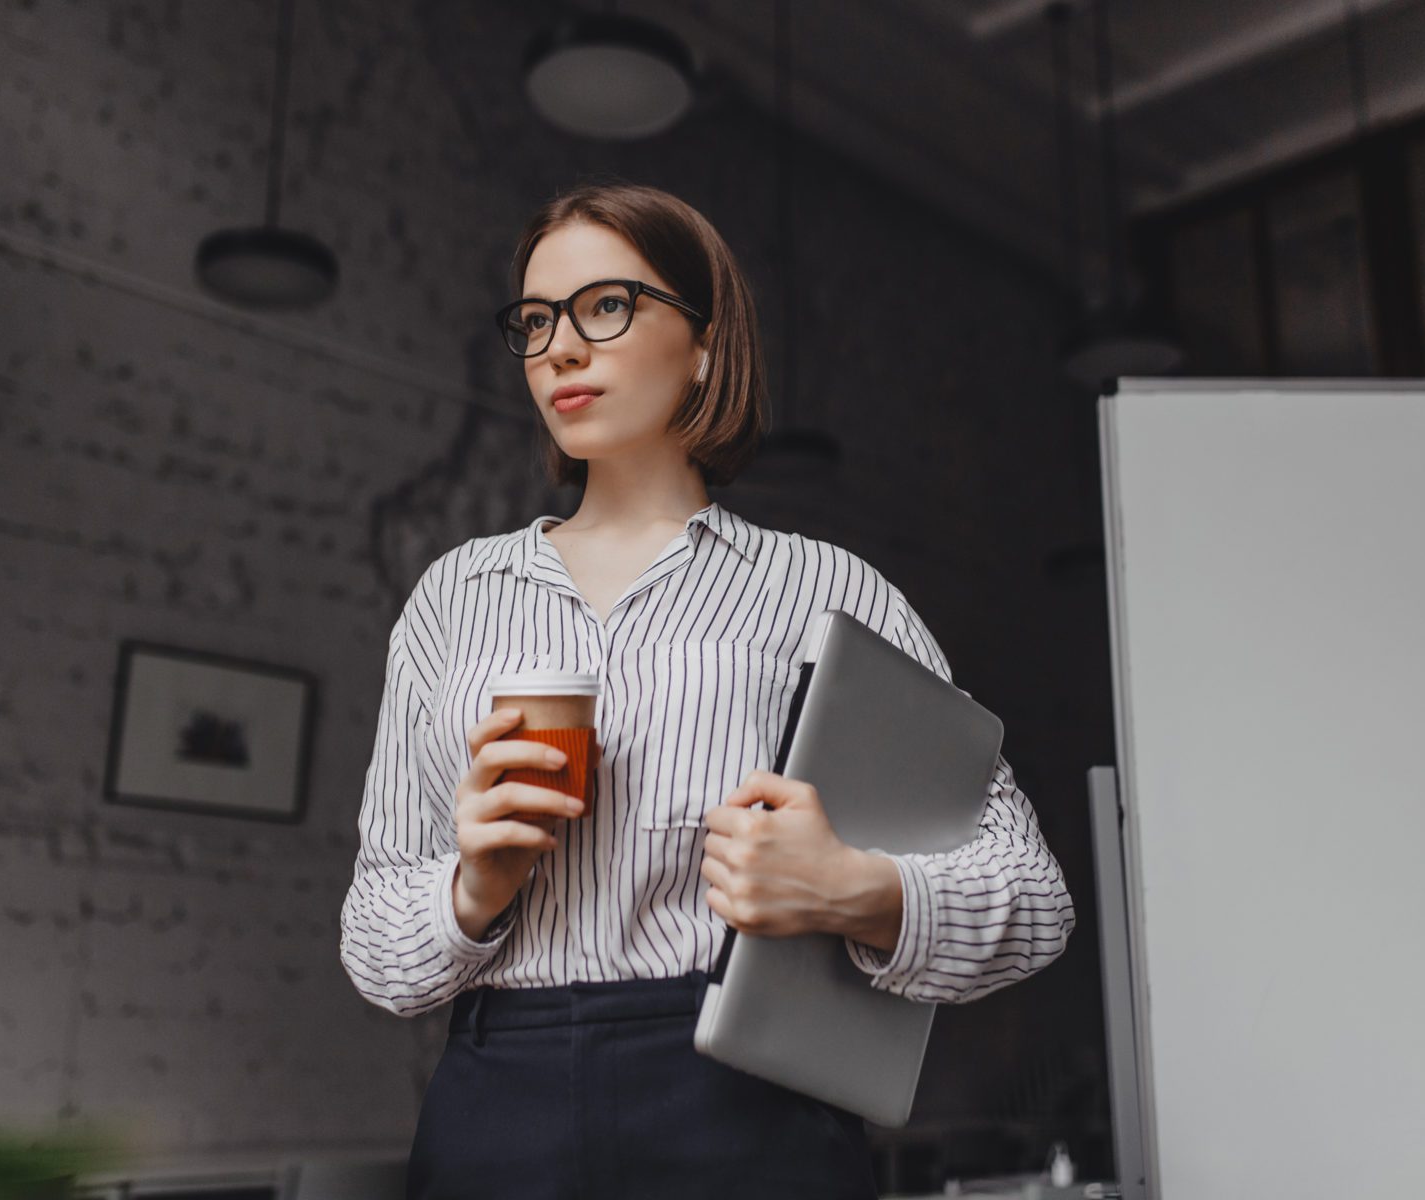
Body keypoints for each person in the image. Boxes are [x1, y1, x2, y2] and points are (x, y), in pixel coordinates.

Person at [339, 182, 1076, 1199]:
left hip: (749, 1111)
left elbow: (1036, 900)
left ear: (705, 344)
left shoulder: (827, 591)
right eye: (537, 320)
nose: (560, 347)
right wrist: (473, 890)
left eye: (606, 306)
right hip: (493, 1117)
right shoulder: (453, 597)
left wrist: (852, 890)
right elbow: (377, 952)